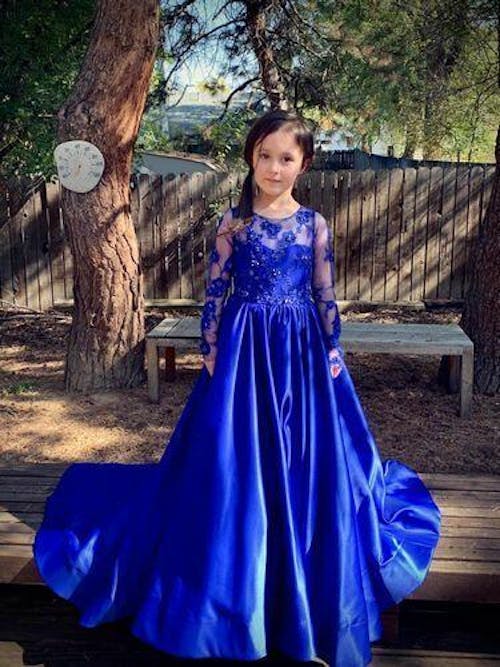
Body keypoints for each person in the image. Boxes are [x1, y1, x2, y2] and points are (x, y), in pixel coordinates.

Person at [33, 109, 441, 667]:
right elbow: (216, 287)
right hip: (244, 348)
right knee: (232, 456)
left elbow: (324, 291)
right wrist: (209, 343)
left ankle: (299, 568)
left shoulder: (314, 224)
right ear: (251, 158)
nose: (273, 168)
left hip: (299, 352)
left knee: (303, 455)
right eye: (264, 156)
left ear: (303, 164)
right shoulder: (234, 222)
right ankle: (231, 582)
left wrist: (332, 346)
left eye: (286, 158)